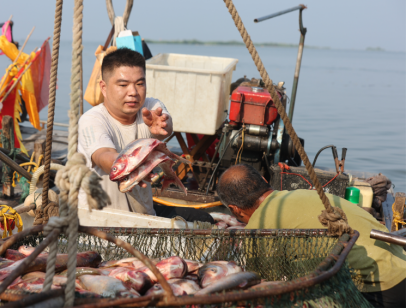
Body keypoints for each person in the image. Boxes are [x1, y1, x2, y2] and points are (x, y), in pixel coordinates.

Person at [216, 164, 406, 308]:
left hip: (382, 288)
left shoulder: (258, 231)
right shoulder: (302, 194)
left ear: (234, 210)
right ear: (265, 181)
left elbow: (266, 283)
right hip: (401, 262)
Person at [78, 48, 214, 224]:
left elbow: (167, 124)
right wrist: (132, 168)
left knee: (204, 219)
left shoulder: (150, 106)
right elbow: (103, 156)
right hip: (101, 221)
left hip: (144, 217)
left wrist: (164, 125)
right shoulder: (91, 120)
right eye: (123, 85)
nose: (133, 92)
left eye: (140, 83)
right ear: (104, 87)